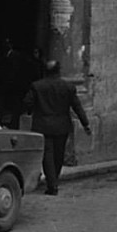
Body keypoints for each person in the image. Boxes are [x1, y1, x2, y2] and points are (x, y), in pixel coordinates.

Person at [23, 60, 91, 195]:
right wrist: (85, 123)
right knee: (58, 155)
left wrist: (31, 111)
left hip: (42, 125)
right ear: (59, 71)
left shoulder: (37, 86)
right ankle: (54, 180)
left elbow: (27, 102)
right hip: (62, 125)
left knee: (47, 155)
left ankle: (52, 184)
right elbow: (77, 106)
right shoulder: (67, 87)